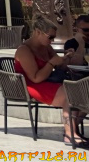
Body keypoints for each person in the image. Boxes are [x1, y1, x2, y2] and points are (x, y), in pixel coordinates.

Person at [17, 17, 82, 146]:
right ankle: (70, 133)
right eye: (50, 37)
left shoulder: (46, 47)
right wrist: (51, 63)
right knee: (69, 93)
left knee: (83, 92)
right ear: (38, 32)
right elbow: (35, 78)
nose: (52, 41)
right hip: (32, 86)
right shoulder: (24, 50)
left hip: (48, 82)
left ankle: (72, 129)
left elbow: (60, 67)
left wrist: (67, 58)